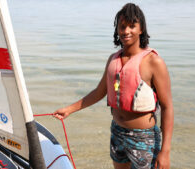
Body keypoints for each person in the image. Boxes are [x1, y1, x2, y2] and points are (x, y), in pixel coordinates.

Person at [53, 3, 173, 169]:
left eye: (132, 26)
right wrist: (69, 110)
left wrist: (165, 151)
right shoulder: (113, 59)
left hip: (144, 138)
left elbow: (167, 107)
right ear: (117, 29)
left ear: (141, 29)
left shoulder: (154, 62)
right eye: (122, 26)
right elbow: (99, 92)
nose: (126, 31)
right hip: (117, 132)